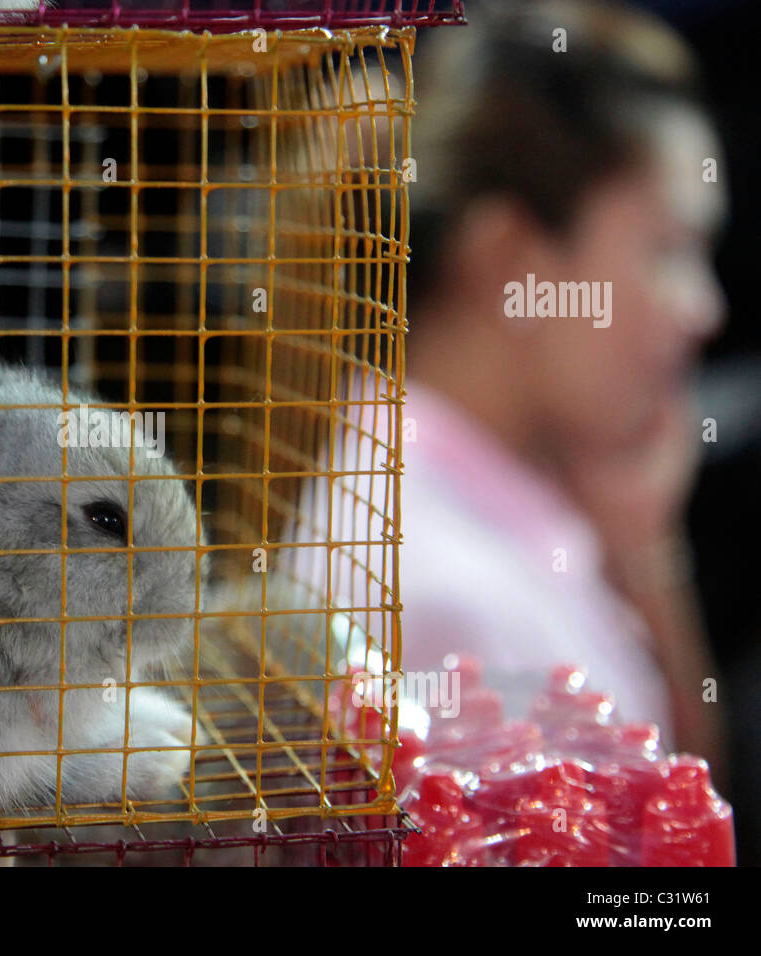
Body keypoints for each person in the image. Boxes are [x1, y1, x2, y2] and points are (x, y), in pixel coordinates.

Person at [291, 0, 728, 778]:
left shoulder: (424, 477)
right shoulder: (460, 603)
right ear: (512, 263)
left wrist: (645, 552)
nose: (705, 309)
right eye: (667, 250)